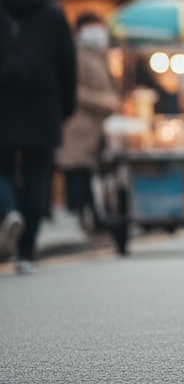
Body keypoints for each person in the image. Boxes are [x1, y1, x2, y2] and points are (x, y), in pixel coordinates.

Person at [0, 0, 76, 272]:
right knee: (36, 175)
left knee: (1, 169)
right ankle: (27, 251)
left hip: (2, 100)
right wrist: (66, 106)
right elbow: (67, 65)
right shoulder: (53, 12)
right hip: (43, 103)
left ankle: (7, 210)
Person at [55, 12, 121, 233]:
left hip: (95, 126)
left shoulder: (99, 54)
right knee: (77, 173)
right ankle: (78, 217)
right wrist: (105, 101)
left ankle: (95, 217)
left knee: (91, 174)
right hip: (79, 125)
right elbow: (75, 90)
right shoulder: (77, 54)